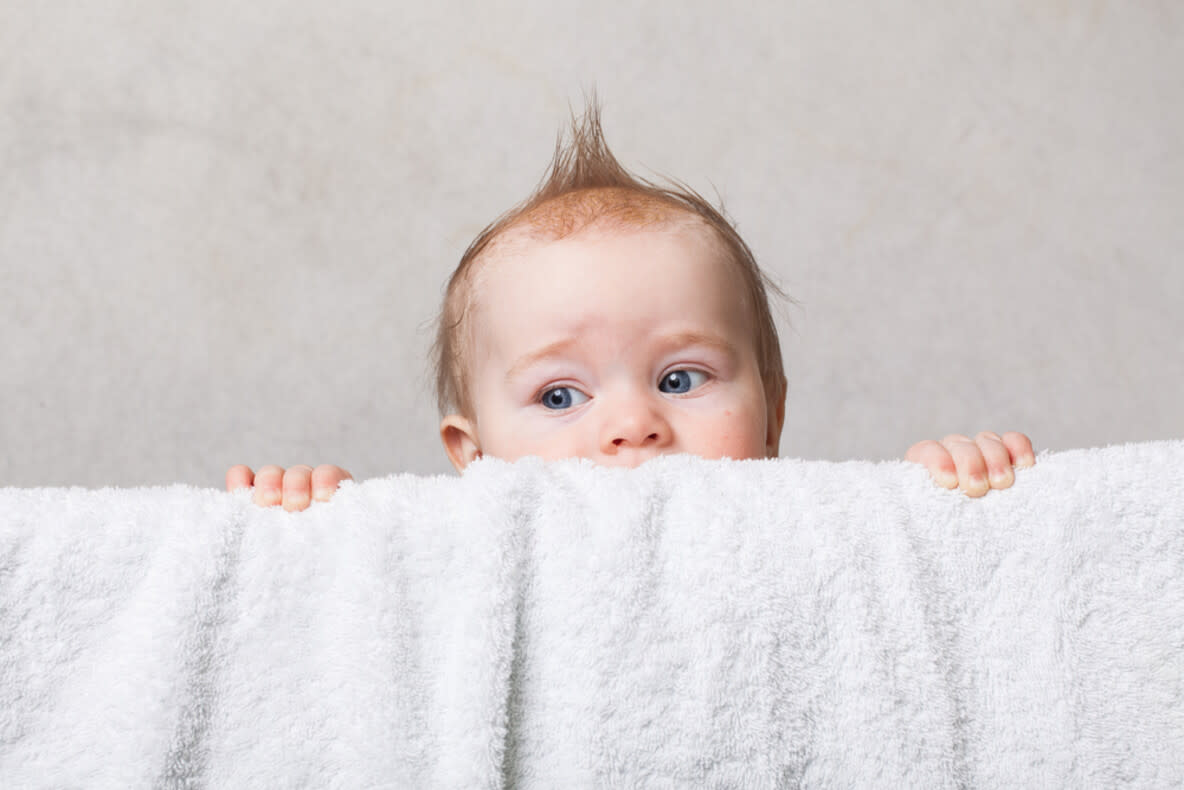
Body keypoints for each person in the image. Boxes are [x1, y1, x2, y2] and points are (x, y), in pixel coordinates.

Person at [227, 104, 1034, 511]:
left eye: (681, 379)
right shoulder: (453, 553)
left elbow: (899, 585)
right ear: (471, 458)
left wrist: (938, 505)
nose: (632, 426)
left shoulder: (812, 533)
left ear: (773, 419)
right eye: (559, 395)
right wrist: (315, 528)